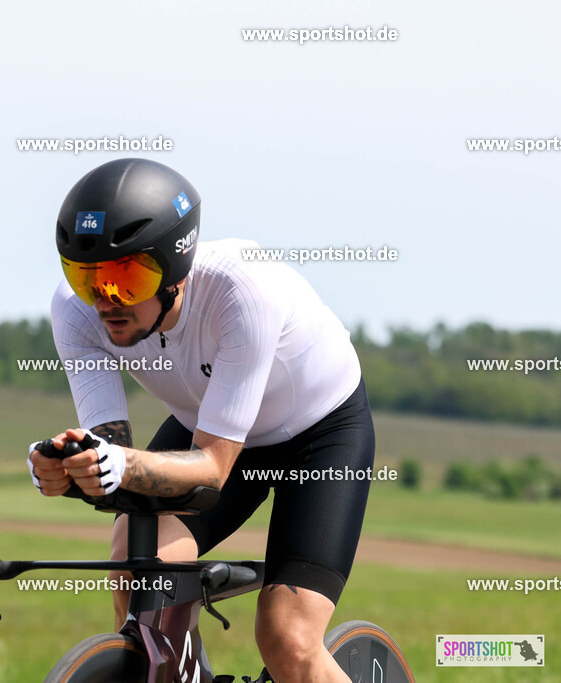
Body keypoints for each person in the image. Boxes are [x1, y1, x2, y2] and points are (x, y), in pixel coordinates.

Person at [28, 158, 374, 683]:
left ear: (173, 268)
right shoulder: (75, 312)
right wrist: (68, 468)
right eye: (86, 277)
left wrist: (115, 466)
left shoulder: (241, 292)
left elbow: (212, 467)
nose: (105, 301)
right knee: (134, 563)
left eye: (126, 278)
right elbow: (111, 452)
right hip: (209, 424)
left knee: (286, 637)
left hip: (319, 434)